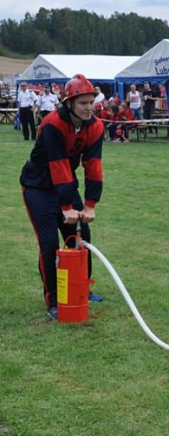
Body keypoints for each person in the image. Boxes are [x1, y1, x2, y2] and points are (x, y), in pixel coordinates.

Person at [20, 74, 105, 320]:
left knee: (80, 236)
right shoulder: (52, 123)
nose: (89, 107)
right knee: (49, 243)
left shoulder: (96, 126)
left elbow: (93, 165)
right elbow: (58, 164)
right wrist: (67, 206)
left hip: (65, 183)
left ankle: (83, 288)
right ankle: (54, 300)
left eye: (91, 102)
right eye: (83, 103)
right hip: (38, 186)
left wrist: (90, 205)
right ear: (69, 103)